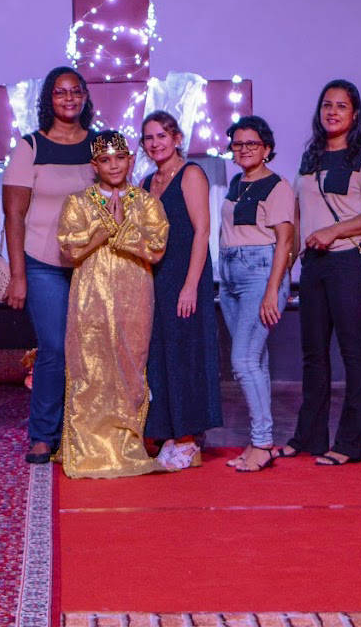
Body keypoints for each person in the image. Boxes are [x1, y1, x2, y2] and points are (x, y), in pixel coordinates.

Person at [284, 80, 361, 466]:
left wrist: (334, 231)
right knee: (313, 354)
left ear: (355, 114)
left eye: (341, 106)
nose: (332, 112)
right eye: (326, 105)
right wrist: (287, 266)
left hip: (348, 262)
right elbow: (298, 216)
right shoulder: (310, 157)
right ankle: (309, 437)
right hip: (313, 264)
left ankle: (349, 443)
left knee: (352, 351)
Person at [57, 131, 170, 478]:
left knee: (130, 363)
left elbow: (157, 247)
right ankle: (87, 449)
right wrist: (103, 229)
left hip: (135, 292)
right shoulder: (78, 202)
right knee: (90, 365)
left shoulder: (146, 202)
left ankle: (126, 444)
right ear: (95, 165)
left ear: (130, 160)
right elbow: (69, 248)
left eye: (120, 158)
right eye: (105, 160)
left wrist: (122, 230)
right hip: (90, 293)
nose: (114, 166)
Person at [3, 67, 100, 465]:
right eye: (60, 92)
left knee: (90, 350)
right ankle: (43, 435)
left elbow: (118, 196)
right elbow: (13, 216)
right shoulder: (30, 147)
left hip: (91, 263)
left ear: (85, 97)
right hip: (42, 264)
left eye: (75, 91)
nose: (69, 98)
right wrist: (18, 275)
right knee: (55, 348)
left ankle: (84, 432)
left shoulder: (98, 144)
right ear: (49, 99)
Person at [140, 110, 223, 470]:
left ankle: (189, 439)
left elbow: (202, 232)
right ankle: (170, 434)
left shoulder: (191, 174)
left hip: (186, 275)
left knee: (186, 355)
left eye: (162, 135)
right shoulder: (147, 182)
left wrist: (190, 286)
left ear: (176, 138)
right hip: (156, 279)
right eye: (149, 138)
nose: (155, 143)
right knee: (160, 356)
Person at [217, 116, 295, 473]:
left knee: (244, 361)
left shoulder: (277, 186)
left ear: (266, 149)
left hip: (260, 275)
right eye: (238, 144)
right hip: (231, 277)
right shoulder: (237, 183)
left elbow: (285, 242)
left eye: (252, 143)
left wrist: (272, 291)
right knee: (256, 362)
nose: (244, 149)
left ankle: (262, 443)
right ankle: (259, 440)